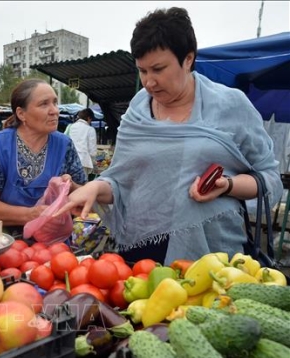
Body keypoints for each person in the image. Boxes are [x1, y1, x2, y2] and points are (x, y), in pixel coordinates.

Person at [54, 7, 283, 265]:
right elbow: (122, 182)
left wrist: (227, 186)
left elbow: (269, 179)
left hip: (212, 256)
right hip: (141, 252)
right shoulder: (137, 111)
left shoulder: (230, 105)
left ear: (188, 59)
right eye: (142, 71)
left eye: (158, 69)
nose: (149, 82)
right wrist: (94, 187)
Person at [0, 79, 87, 238]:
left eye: (55, 103)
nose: (54, 110)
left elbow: (83, 196)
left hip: (53, 245)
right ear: (21, 114)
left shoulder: (65, 144)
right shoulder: (1, 144)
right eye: (44, 104)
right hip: (5, 243)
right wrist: (30, 215)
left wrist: (70, 187)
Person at [67, 108, 98, 178]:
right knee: (82, 186)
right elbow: (92, 151)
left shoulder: (72, 127)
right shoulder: (90, 129)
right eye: (91, 119)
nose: (90, 122)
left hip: (71, 161)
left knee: (71, 186)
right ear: (88, 118)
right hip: (84, 162)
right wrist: (94, 163)